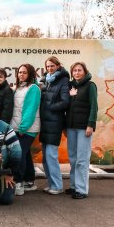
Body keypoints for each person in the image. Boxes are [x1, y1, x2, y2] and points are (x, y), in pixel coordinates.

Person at [65, 62, 98, 199]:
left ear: (85, 71)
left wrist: (90, 125)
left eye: (79, 70)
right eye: (74, 70)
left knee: (82, 160)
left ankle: (82, 190)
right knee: (73, 159)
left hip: (84, 128)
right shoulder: (71, 86)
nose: (77, 73)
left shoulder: (90, 86)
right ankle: (74, 186)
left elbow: (93, 107)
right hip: (71, 127)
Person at [39, 56, 70, 195]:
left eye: (52, 66)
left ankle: (57, 185)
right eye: (47, 66)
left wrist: (50, 107)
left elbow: (65, 102)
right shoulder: (45, 80)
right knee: (45, 156)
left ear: (58, 66)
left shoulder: (63, 81)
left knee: (51, 155)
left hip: (55, 122)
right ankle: (51, 183)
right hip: (44, 122)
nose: (50, 68)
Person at [10, 64, 41, 196]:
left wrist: (23, 127)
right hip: (17, 127)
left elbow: (30, 109)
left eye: (24, 73)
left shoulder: (33, 88)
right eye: (20, 72)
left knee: (19, 154)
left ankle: (18, 182)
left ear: (30, 74)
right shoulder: (18, 88)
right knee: (26, 154)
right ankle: (29, 181)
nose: (21, 75)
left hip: (27, 129)